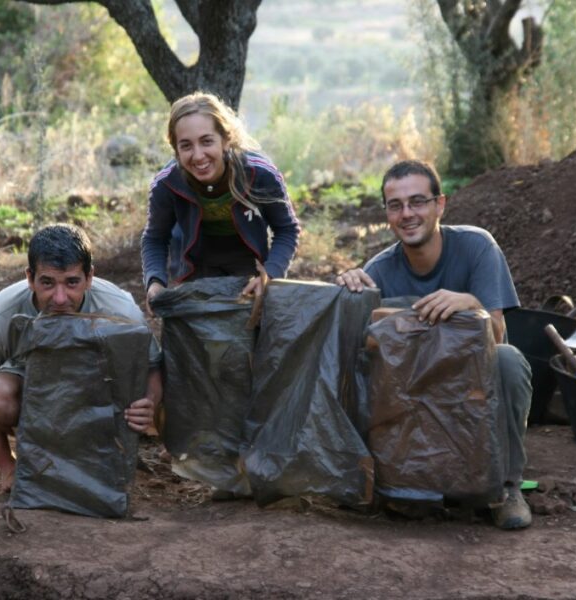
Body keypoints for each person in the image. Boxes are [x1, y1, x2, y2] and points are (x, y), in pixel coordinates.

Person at [336, 159, 532, 530]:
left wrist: (471, 306)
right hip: (416, 390)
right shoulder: (378, 270)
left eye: (418, 202)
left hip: (472, 385)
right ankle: (406, 484)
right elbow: (363, 357)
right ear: (387, 214)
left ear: (440, 205)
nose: (407, 214)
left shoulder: (477, 246)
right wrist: (349, 291)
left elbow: (496, 335)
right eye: (396, 206)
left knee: (508, 360)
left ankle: (507, 487)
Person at [0, 224, 162, 493]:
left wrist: (148, 402)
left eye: (71, 282)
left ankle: (102, 452)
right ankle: (38, 452)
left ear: (89, 278)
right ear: (30, 278)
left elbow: (152, 365)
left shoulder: (119, 309)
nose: (59, 298)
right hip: (32, 384)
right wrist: (6, 465)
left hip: (100, 386)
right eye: (47, 283)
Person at [142, 91, 300, 309]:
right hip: (195, 259)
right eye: (186, 145)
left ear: (226, 140)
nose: (198, 156)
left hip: (246, 254)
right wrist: (155, 282)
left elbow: (286, 230)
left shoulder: (259, 175)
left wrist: (270, 275)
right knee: (199, 330)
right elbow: (155, 238)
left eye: (207, 142)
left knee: (251, 326)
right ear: (176, 150)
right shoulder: (167, 184)